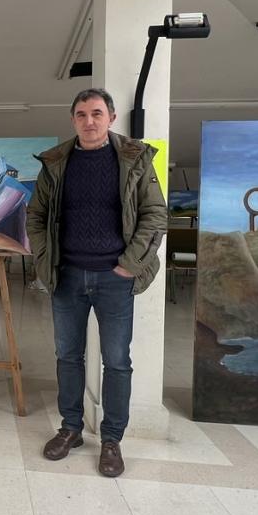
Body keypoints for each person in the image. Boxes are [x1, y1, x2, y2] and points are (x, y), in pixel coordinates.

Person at [26, 87, 167, 478]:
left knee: (117, 361)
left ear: (111, 118)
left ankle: (111, 440)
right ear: (73, 120)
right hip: (67, 276)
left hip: (115, 279)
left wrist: (129, 264)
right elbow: (35, 216)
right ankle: (70, 428)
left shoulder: (135, 159)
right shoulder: (56, 163)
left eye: (97, 114)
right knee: (67, 357)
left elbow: (155, 214)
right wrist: (44, 261)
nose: (90, 121)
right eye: (82, 115)